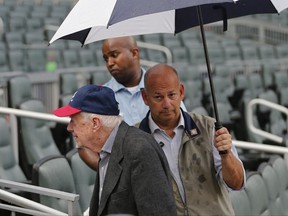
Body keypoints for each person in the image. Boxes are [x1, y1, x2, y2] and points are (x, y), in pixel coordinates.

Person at [52, 84, 177, 216]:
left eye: (73, 121)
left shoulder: (140, 151)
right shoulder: (107, 148)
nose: (69, 128)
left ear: (95, 123)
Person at [138, 64, 246, 216]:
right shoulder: (134, 138)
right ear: (145, 97)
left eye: (171, 95)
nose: (166, 104)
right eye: (158, 97)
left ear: (181, 92)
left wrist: (226, 155)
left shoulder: (209, 128)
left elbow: (237, 183)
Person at [102, 36, 186, 125]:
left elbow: (182, 126)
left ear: (134, 53)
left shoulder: (163, 84)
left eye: (114, 55)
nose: (110, 63)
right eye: (106, 59)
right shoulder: (102, 96)